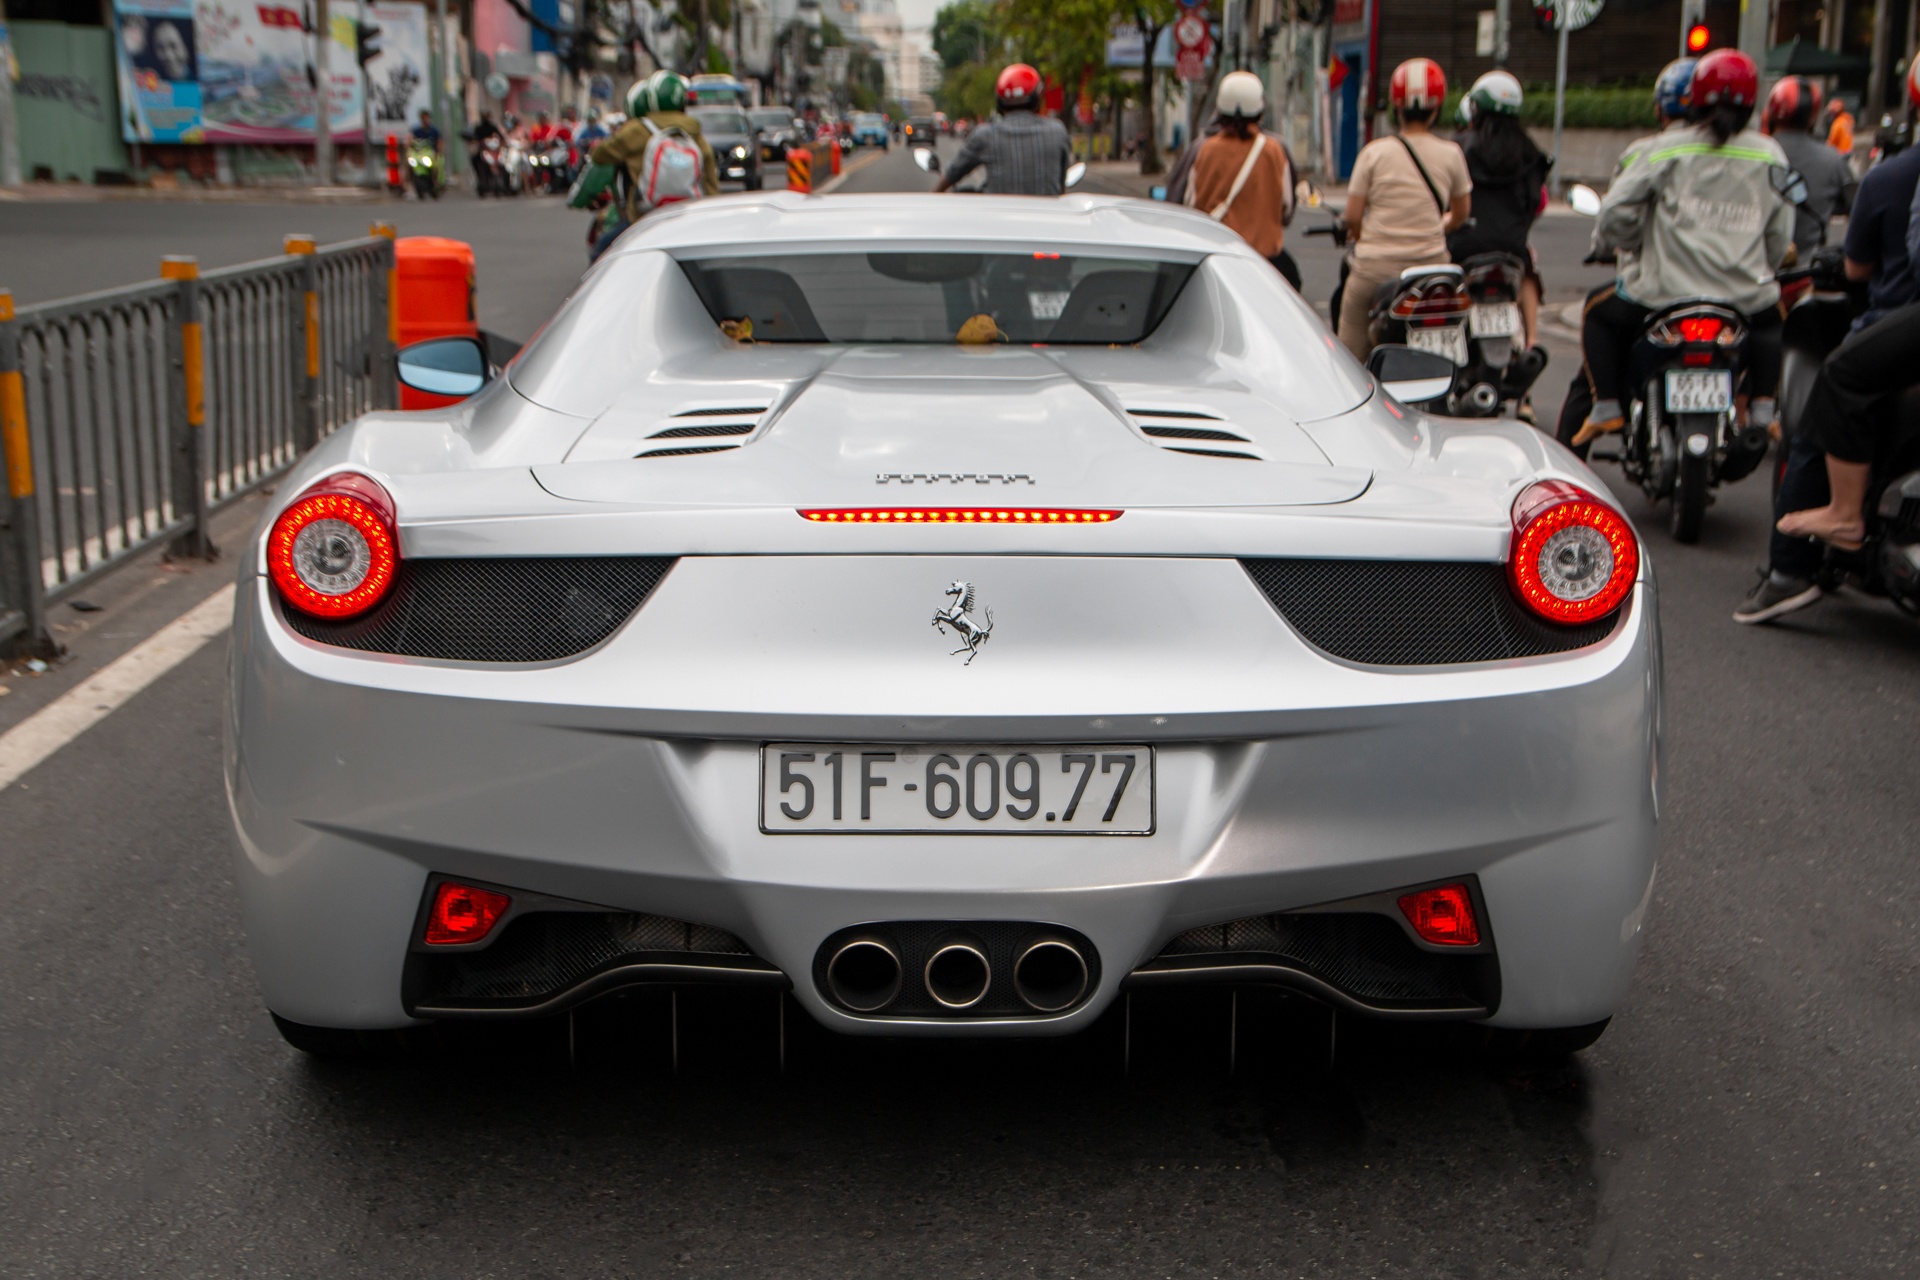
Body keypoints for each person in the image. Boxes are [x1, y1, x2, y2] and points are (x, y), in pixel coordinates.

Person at [1744, 60, 1920, 597]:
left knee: (1836, 382)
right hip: (1758, 289)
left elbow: (1861, 267)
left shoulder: (1888, 175)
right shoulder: (1833, 162)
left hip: (1883, 314)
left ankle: (1793, 565)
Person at [1573, 48, 1793, 447]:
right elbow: (1779, 233)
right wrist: (1765, 268)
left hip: (1660, 298)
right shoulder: (1769, 154)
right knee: (1773, 316)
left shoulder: (1664, 150)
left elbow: (1615, 212)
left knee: (1598, 314)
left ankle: (1606, 407)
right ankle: (1762, 407)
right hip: (1744, 299)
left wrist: (1624, 244)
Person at [1555, 58, 1696, 454]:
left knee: (1596, 331)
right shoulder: (1751, 153)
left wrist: (1613, 244)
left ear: (1660, 108)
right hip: (1732, 297)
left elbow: (1617, 214)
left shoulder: (1649, 153)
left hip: (1657, 294)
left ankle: (1572, 463)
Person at [1336, 58, 1472, 360]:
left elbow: (1352, 217)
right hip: (1432, 271)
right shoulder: (1452, 154)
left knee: (1348, 355)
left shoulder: (1374, 153)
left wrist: (1359, 235)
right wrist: (1442, 224)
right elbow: (1462, 214)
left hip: (1375, 269)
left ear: (1396, 107)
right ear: (1437, 108)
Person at [1446, 70, 1550, 351]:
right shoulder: (1532, 154)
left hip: (1461, 247)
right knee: (1529, 264)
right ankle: (1532, 340)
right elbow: (1537, 202)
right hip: (1511, 249)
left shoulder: (1458, 149)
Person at [1182, 71, 1299, 289]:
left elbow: (1191, 203)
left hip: (1217, 257)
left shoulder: (1205, 150)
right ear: (1260, 109)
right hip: (1265, 262)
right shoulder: (1274, 150)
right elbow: (1286, 207)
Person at [587, 72, 719, 262]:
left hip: (644, 217)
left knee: (601, 253)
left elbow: (600, 155)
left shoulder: (636, 130)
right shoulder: (695, 132)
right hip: (689, 217)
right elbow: (711, 183)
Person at [935, 64, 1073, 196]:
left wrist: (932, 196)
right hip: (1048, 218)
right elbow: (1060, 184)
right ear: (1038, 97)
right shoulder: (1057, 132)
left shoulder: (985, 135)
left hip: (998, 219)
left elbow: (952, 173)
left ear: (1000, 102)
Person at [1763, 75, 1857, 259]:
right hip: (1807, 271)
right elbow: (1858, 207)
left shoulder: (1757, 154)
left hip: (1756, 269)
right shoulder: (1832, 160)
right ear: (1812, 116)